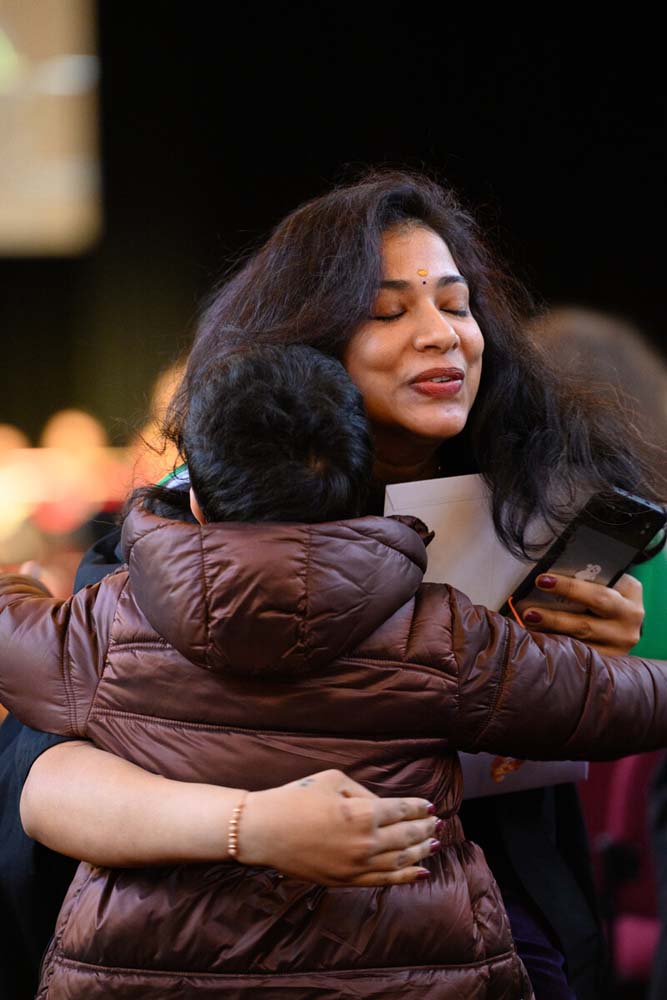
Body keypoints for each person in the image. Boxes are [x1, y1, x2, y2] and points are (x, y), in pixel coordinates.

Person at [11, 169, 655, 998]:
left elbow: (596, 712)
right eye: (387, 313)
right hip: (211, 941)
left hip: (471, 922)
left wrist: (595, 646)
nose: (440, 335)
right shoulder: (184, 537)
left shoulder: (525, 508)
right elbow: (45, 781)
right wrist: (250, 824)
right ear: (303, 347)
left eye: (456, 305)